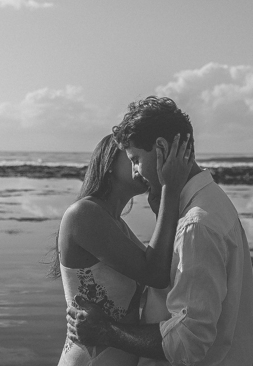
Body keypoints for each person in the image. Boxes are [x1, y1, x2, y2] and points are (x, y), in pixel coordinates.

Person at [66, 97, 253, 366]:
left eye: (136, 159)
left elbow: (188, 341)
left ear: (162, 148)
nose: (136, 171)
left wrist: (107, 332)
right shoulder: (211, 203)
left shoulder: (196, 224)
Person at [53, 131, 193, 365]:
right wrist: (170, 189)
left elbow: (160, 274)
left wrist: (160, 209)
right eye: (131, 158)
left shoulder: (116, 224)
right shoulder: (85, 214)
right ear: (108, 163)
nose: (140, 166)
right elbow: (155, 273)